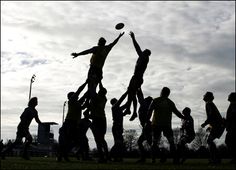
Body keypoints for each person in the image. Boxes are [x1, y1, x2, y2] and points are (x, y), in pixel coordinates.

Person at [71, 32, 124, 103]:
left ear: (99, 42)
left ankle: (88, 101)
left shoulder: (97, 48)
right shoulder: (106, 48)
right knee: (94, 85)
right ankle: (89, 100)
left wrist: (78, 54)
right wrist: (119, 37)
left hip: (94, 69)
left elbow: (87, 51)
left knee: (91, 85)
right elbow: (114, 43)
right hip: (98, 69)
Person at [147, 87, 185, 164]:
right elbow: (177, 113)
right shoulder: (170, 102)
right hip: (166, 125)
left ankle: (153, 160)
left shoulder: (155, 100)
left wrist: (147, 121)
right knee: (171, 142)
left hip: (156, 124)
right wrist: (184, 117)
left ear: (161, 92)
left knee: (154, 142)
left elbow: (150, 110)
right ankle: (175, 159)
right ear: (168, 94)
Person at [122, 31, 151, 121]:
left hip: (137, 78)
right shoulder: (143, 57)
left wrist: (133, 38)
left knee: (132, 93)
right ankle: (131, 110)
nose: (142, 51)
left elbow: (137, 48)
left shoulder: (144, 57)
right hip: (136, 78)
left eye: (144, 51)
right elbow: (138, 49)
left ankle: (131, 111)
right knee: (132, 93)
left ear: (146, 53)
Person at [57, 81, 88, 162]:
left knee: (71, 141)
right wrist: (86, 82)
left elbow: (84, 103)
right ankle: (62, 155)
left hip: (73, 123)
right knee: (69, 140)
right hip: (69, 122)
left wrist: (90, 90)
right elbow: (79, 91)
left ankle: (63, 155)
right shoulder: (71, 101)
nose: (77, 97)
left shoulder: (77, 103)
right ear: (71, 97)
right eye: (75, 95)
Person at [201, 92, 225, 165]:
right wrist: (210, 126)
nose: (203, 96)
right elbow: (214, 117)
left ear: (207, 97)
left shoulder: (209, 103)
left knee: (209, 141)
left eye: (204, 95)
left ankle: (215, 159)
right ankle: (215, 158)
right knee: (209, 141)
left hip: (217, 126)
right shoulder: (210, 103)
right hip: (217, 125)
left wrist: (205, 123)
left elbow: (211, 115)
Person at [89, 82, 109, 163]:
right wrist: (100, 81)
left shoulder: (97, 98)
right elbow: (101, 89)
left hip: (97, 119)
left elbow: (92, 90)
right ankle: (107, 156)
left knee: (98, 139)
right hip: (102, 120)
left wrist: (94, 82)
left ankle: (102, 157)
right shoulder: (104, 98)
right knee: (102, 139)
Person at [110, 91, 128, 162]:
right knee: (118, 143)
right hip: (116, 127)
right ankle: (110, 155)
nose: (118, 101)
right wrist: (127, 92)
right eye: (117, 101)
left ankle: (118, 158)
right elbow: (122, 99)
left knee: (119, 143)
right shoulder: (114, 107)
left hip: (119, 127)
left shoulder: (118, 109)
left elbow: (126, 105)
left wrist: (131, 97)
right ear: (115, 102)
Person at [136, 88, 153, 163]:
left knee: (148, 143)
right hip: (147, 126)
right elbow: (140, 97)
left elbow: (140, 96)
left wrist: (138, 88)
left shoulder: (145, 105)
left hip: (147, 127)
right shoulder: (148, 107)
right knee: (148, 143)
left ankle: (144, 158)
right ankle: (144, 158)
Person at [225, 92, 236, 164]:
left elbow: (233, 115)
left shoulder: (234, 104)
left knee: (229, 141)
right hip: (231, 126)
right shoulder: (232, 104)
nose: (228, 96)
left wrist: (226, 121)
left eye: (229, 95)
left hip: (233, 126)